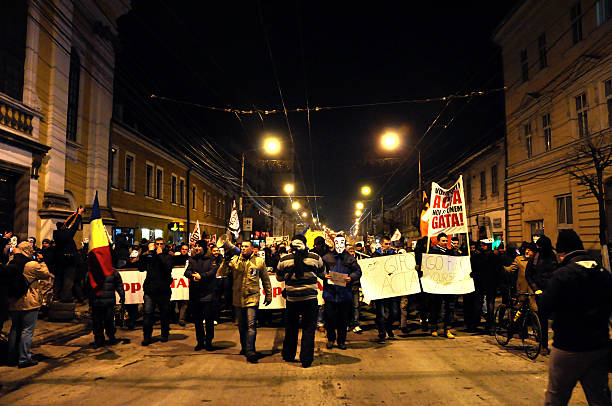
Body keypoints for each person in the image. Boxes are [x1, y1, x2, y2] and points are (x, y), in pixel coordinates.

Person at [541, 229, 612, 406]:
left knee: (556, 397)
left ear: (562, 253)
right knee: (599, 398)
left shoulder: (561, 275)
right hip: (598, 346)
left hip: (567, 347)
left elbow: (545, 308)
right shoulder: (603, 273)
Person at [276, 234, 325, 368]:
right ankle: (306, 359)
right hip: (310, 300)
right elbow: (322, 274)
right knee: (309, 329)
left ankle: (289, 354)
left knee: (291, 328)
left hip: (292, 300)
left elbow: (279, 278)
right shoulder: (315, 258)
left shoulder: (284, 259)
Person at [219, 241, 272, 363]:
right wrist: (225, 261)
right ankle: (245, 347)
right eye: (242, 247)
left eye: (246, 246)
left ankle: (251, 350)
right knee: (242, 326)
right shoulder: (235, 260)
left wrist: (268, 295)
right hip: (238, 298)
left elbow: (265, 279)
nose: (243, 248)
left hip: (252, 297)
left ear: (252, 249)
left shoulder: (259, 261)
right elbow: (221, 273)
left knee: (251, 325)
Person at [7, 242, 53, 368]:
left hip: (14, 301)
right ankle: (24, 358)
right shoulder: (31, 265)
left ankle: (11, 357)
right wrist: (42, 261)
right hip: (29, 300)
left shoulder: (11, 263)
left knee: (15, 328)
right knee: (27, 330)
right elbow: (46, 274)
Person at [321, 234, 362, 350]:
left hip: (344, 295)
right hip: (330, 294)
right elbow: (320, 270)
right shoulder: (327, 257)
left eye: (342, 243)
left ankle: (341, 341)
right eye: (337, 243)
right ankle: (330, 339)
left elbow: (358, 271)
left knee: (343, 320)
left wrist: (351, 277)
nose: (339, 245)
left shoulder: (350, 258)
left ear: (345, 244)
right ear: (334, 243)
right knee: (329, 319)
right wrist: (325, 275)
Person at [525, 235, 557, 356]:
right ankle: (544, 345)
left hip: (554, 291)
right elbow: (529, 275)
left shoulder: (555, 257)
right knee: (543, 319)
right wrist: (536, 289)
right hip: (541, 293)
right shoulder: (534, 259)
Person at [138, 238, 173, 346]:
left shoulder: (168, 256)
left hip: (163, 290)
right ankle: (147, 337)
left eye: (161, 244)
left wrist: (160, 255)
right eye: (156, 244)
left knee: (164, 314)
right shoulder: (150, 256)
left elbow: (167, 267)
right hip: (150, 290)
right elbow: (141, 268)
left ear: (164, 245)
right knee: (148, 314)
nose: (158, 246)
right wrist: (146, 253)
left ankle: (164, 334)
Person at [184, 240, 218, 351]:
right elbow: (186, 272)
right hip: (195, 294)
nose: (197, 248)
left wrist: (201, 276)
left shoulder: (211, 259)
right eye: (195, 246)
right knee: (197, 320)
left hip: (207, 294)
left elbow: (212, 272)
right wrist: (192, 275)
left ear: (204, 248)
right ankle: (200, 341)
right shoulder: (191, 259)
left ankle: (209, 341)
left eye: (199, 246)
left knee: (208, 320)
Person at [53, 207, 84, 302]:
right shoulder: (66, 235)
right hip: (69, 260)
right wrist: (78, 215)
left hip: (60, 260)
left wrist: (75, 214)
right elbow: (74, 226)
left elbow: (67, 222)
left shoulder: (57, 234)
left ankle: (57, 296)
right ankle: (65, 297)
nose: (66, 226)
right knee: (68, 279)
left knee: (59, 278)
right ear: (63, 227)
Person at [89, 266, 125, 349]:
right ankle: (111, 337)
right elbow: (119, 284)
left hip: (98, 301)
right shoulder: (113, 271)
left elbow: (87, 286)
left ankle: (100, 340)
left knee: (98, 322)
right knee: (107, 321)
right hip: (106, 302)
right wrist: (122, 296)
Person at [428, 233, 456, 339]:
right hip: (437, 283)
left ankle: (447, 329)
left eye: (446, 241)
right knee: (436, 306)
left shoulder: (450, 252)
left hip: (448, 283)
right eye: (443, 241)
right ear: (438, 241)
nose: (445, 243)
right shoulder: (432, 252)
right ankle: (434, 328)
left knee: (449, 307)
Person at [372, 236, 400, 342]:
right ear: (382, 244)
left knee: (394, 312)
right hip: (380, 288)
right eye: (386, 244)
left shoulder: (394, 255)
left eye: (389, 244)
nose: (388, 246)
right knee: (381, 313)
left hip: (391, 288)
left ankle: (388, 327)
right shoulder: (375, 255)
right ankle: (382, 332)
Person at [172, 243, 190, 326]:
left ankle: (181, 319)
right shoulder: (175, 259)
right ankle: (175, 317)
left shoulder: (190, 259)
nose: (184, 251)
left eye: (186, 249)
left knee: (184, 301)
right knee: (175, 300)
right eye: (183, 249)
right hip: (176, 283)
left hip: (185, 283)